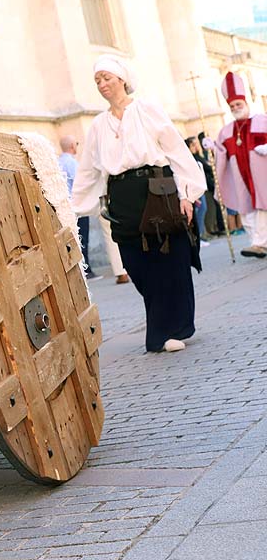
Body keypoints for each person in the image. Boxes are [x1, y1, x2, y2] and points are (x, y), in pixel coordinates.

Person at [72, 54, 206, 353]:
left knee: (169, 260)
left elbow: (175, 149)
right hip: (122, 197)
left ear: (122, 79)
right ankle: (165, 325)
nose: (102, 84)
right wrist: (72, 210)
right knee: (136, 264)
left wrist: (187, 193)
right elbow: (88, 170)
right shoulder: (97, 125)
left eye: (107, 78)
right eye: (97, 80)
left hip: (157, 191)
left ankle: (171, 330)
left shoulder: (146, 109)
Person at [206, 72, 267, 257]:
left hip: (261, 176)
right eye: (232, 106)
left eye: (238, 104)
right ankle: (257, 243)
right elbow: (220, 153)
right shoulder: (226, 131)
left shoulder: (262, 121)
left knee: (262, 208)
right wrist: (212, 147)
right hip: (240, 177)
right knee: (246, 210)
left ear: (246, 102)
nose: (235, 108)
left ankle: (260, 243)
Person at [58, 135, 99, 279]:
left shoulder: (58, 162)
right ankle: (86, 270)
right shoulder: (72, 163)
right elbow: (80, 183)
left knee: (72, 238)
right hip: (77, 206)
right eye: (76, 143)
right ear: (72, 146)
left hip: (64, 207)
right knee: (83, 238)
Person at [185, 137, 213, 246]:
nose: (196, 147)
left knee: (202, 210)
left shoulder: (197, 157)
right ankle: (198, 236)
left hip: (201, 187)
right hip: (194, 189)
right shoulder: (189, 159)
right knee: (198, 211)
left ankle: (200, 234)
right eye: (193, 145)